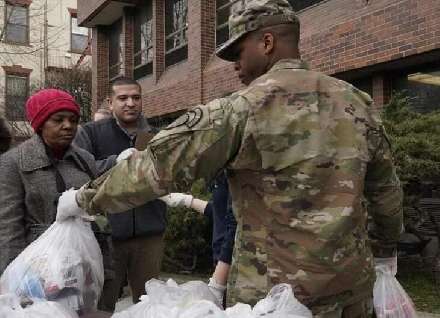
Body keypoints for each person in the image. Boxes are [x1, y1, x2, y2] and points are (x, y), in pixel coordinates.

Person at [59, 0, 403, 316]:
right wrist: (386, 251)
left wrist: (82, 199)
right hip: (351, 291)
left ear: (266, 43)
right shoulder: (358, 102)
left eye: (238, 51)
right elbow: (386, 193)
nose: (235, 64)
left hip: (274, 299)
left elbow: (155, 167)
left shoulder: (241, 110)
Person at [73, 77, 167, 312]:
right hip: (106, 236)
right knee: (100, 306)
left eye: (136, 97)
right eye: (123, 98)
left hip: (149, 234)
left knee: (149, 306)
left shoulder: (157, 135)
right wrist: (115, 162)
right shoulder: (90, 133)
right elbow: (79, 172)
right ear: (110, 102)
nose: (130, 103)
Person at [0, 89, 100, 273]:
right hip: (36, 266)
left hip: (84, 262)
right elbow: (9, 230)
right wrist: (11, 281)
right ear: (40, 124)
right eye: (58, 119)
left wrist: (106, 270)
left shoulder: (86, 160)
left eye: (73, 120)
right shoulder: (12, 163)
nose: (68, 125)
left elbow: (99, 217)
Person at [161, 170, 237, 306]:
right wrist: (187, 201)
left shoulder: (233, 171)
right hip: (221, 263)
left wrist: (217, 284)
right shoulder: (219, 172)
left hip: (233, 270)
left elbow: (235, 222)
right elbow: (220, 212)